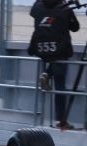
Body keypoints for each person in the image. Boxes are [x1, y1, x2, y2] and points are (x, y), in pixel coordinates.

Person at [28, 0, 80, 129]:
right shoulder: (65, 8)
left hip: (41, 49)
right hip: (60, 50)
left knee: (53, 66)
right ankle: (60, 120)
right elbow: (75, 27)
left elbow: (34, 12)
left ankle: (47, 73)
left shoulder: (37, 6)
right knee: (60, 86)